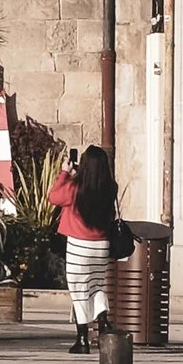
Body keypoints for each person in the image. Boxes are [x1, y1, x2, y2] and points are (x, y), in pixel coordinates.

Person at [56, 143, 118, 351]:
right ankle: (103, 319)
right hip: (101, 245)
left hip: (78, 246)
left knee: (79, 290)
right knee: (97, 285)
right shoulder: (110, 188)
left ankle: (82, 338)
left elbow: (54, 196)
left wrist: (66, 173)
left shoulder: (75, 188)